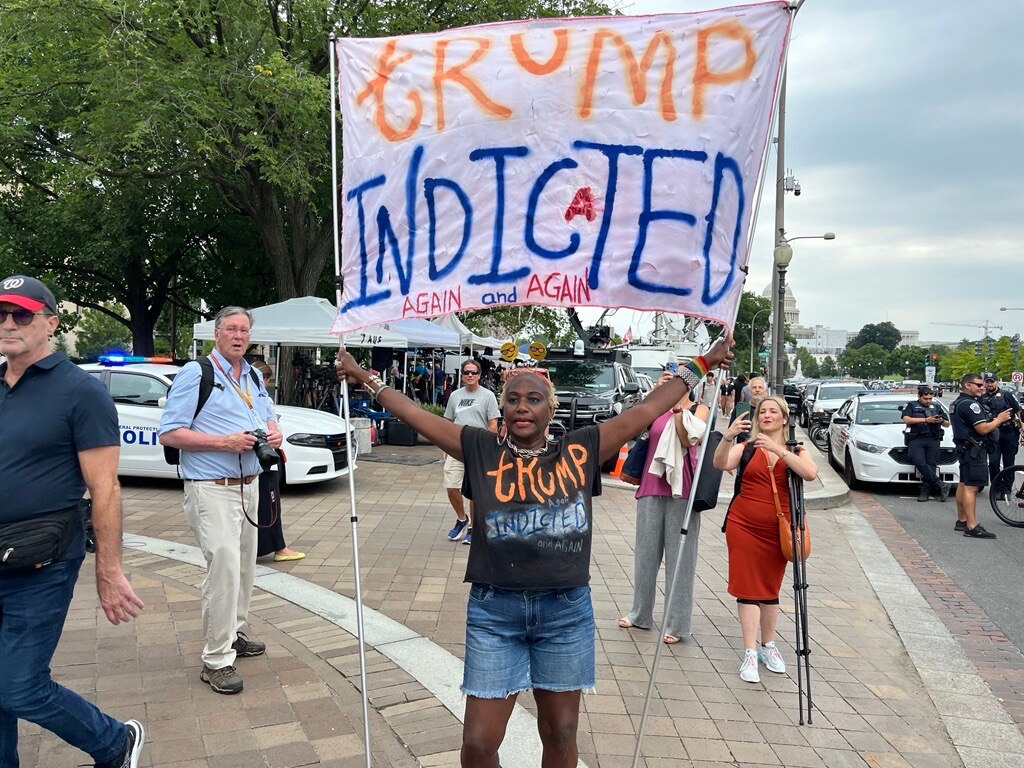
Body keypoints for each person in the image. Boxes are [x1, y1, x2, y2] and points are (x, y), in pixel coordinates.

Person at [336, 336, 734, 768]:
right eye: (512, 399)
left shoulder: (581, 449)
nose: (522, 406)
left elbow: (645, 410)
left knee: (561, 734)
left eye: (534, 399)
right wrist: (362, 376)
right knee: (477, 744)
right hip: (494, 612)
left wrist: (705, 362)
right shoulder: (479, 447)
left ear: (551, 409)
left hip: (565, 611)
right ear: (502, 409)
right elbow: (412, 412)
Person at [0, 275, 146, 767]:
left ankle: (114, 742)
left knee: (19, 687)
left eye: (22, 314)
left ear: (51, 323)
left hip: (42, 563)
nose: (8, 324)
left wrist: (109, 571)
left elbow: (105, 488)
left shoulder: (80, 392)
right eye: (1, 314)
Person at [158, 306, 283, 694]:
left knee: (245, 566)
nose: (238, 335)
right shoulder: (197, 373)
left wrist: (274, 432)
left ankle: (234, 633)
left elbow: (267, 416)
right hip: (211, 485)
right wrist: (223, 442)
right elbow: (169, 433)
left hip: (250, 483)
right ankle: (216, 659)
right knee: (224, 569)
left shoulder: (252, 375)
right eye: (231, 328)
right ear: (217, 333)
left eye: (244, 330)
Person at [713, 396, 818, 684]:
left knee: (770, 587)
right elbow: (720, 463)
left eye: (774, 411)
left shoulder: (796, 449)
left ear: (784, 418)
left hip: (780, 530)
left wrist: (778, 450)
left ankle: (768, 646)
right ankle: (749, 651)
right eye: (763, 411)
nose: (767, 415)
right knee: (747, 587)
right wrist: (729, 435)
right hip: (743, 524)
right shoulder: (747, 448)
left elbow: (810, 473)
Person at [618, 376, 710, 644]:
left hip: (682, 490)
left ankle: (677, 623)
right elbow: (630, 424)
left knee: (680, 559)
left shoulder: (698, 409)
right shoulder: (655, 407)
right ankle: (640, 614)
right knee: (645, 556)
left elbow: (686, 439)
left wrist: (678, 409)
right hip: (650, 486)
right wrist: (656, 394)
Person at [443, 359, 500, 545]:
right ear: (462, 375)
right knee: (452, 486)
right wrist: (445, 445)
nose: (470, 375)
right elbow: (448, 422)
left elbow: (493, 423)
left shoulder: (488, 396)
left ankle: (474, 527)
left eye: (473, 372)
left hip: (478, 448)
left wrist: (489, 446)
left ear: (479, 375)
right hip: (456, 446)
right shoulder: (455, 396)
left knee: (475, 490)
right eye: (467, 372)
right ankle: (462, 519)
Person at [949, 373, 1011, 539]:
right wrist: (999, 419)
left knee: (963, 483)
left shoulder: (958, 403)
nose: (982, 387)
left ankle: (962, 520)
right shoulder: (970, 405)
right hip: (973, 449)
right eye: (978, 385)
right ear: (967, 385)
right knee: (972, 487)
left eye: (982, 384)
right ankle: (971, 526)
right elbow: (982, 429)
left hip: (965, 448)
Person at [902, 386, 951, 502]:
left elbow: (947, 424)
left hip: (933, 438)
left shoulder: (937, 407)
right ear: (919, 397)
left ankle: (925, 492)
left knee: (931, 465)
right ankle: (941, 484)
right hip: (917, 438)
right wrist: (926, 420)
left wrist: (941, 421)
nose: (928, 401)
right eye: (925, 398)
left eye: (930, 398)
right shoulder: (911, 406)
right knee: (918, 460)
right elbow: (906, 419)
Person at [980, 374, 1021, 499]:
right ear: (984, 383)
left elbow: (1018, 412)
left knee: (1009, 463)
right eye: (987, 382)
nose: (990, 384)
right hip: (992, 434)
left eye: (992, 382)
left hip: (1009, 433)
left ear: (997, 382)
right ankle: (996, 489)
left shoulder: (1007, 395)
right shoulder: (981, 398)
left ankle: (1007, 489)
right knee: (993, 463)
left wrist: (1022, 429)